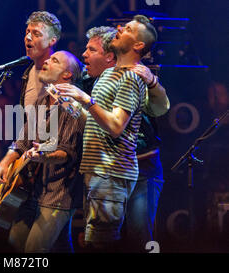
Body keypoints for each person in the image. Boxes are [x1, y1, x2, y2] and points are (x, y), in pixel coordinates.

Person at [56, 15, 158, 250]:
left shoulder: (130, 78)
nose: (120, 28)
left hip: (111, 171)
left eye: (129, 28)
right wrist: (71, 106)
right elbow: (96, 123)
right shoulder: (107, 77)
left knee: (104, 244)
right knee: (95, 241)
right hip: (97, 170)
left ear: (139, 45)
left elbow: (115, 126)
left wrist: (84, 98)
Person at [0, 50, 85, 253]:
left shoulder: (73, 106)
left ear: (67, 74)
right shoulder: (42, 101)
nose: (46, 61)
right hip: (29, 190)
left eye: (54, 60)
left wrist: (43, 157)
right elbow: (21, 142)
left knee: (34, 250)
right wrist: (4, 163)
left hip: (58, 193)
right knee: (17, 247)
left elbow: (66, 153)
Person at [20, 11, 62, 107]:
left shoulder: (62, 72)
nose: (28, 37)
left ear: (52, 41)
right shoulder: (27, 73)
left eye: (36, 34)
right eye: (27, 32)